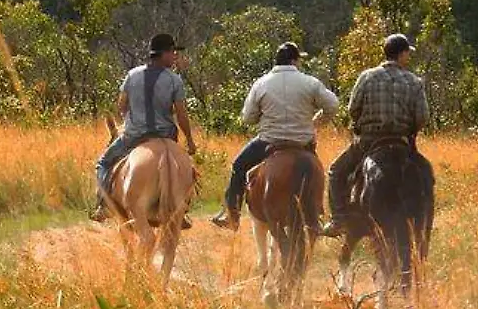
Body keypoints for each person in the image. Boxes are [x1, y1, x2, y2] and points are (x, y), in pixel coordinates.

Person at [209, 42, 339, 231]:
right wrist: (316, 121)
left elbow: (247, 118)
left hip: (269, 142)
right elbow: (333, 105)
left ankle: (232, 215)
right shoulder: (310, 82)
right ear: (295, 60)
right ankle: (318, 214)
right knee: (318, 171)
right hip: (302, 143)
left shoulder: (261, 83)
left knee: (238, 166)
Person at [319, 33, 429, 237]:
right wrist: (410, 130)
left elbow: (353, 108)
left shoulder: (367, 76)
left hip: (368, 142)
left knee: (336, 172)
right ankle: (425, 220)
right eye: (407, 53)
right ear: (402, 54)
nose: (408, 58)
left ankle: (339, 219)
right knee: (426, 174)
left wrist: (362, 123)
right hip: (401, 143)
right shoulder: (414, 81)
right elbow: (422, 117)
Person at [92, 33, 198, 222]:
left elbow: (122, 105)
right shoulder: (175, 80)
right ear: (162, 54)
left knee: (104, 164)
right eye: (172, 52)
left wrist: (131, 120)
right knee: (188, 169)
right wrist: (189, 140)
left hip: (134, 136)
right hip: (165, 136)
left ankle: (102, 205)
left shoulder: (132, 75)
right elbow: (182, 115)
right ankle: (183, 210)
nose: (175, 56)